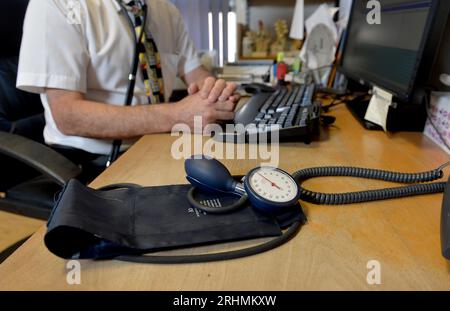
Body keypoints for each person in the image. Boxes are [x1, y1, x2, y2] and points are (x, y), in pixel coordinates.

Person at [16, 0, 238, 177]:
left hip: (158, 144)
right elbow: (68, 116)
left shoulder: (165, 10)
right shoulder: (56, 5)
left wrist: (216, 93)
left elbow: (196, 73)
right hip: (90, 163)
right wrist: (178, 115)